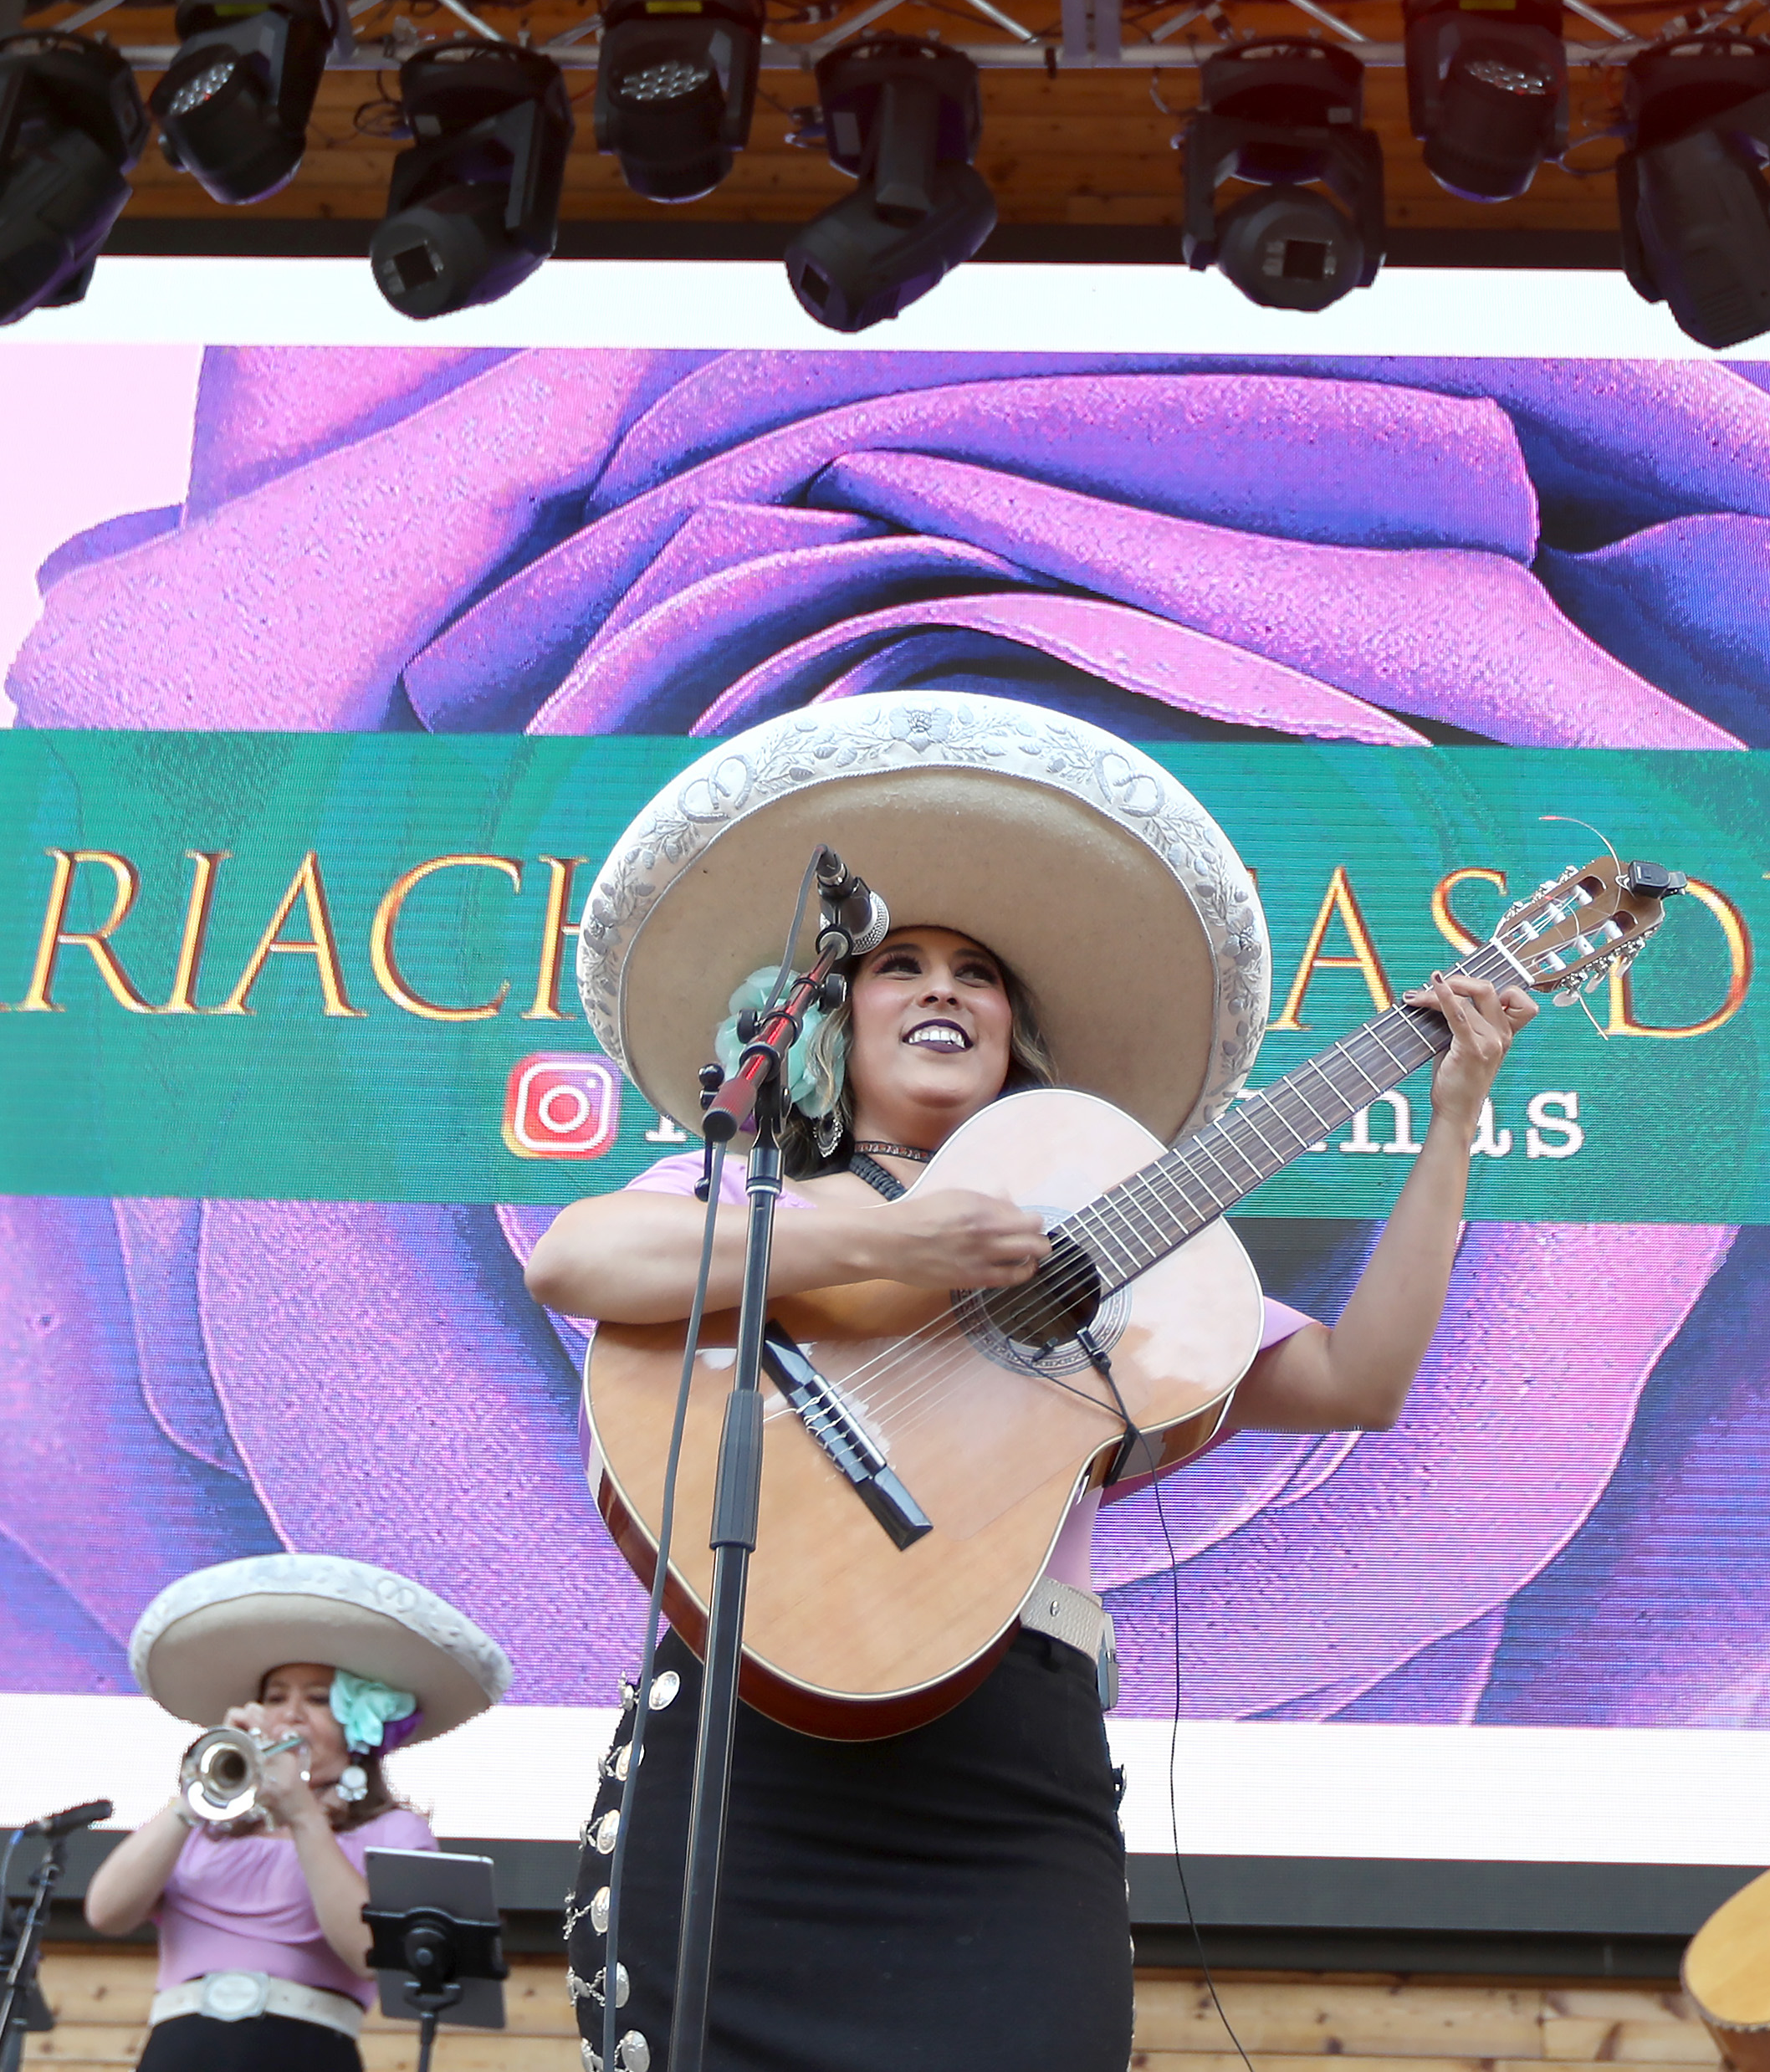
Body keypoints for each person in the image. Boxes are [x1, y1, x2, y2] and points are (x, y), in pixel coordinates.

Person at [523, 691, 1538, 2072]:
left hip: (1008, 1775)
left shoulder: (1125, 1271)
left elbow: (1359, 1378)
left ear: (1019, 1038)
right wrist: (888, 1237)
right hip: (747, 1762)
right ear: (829, 1016)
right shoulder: (749, 1194)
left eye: (978, 973)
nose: (943, 984)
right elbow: (577, 1259)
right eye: (901, 964)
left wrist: (1457, 1117)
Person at [84, 1553, 515, 2067]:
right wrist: (199, 1793)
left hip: (306, 2050)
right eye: (274, 1697)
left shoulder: (394, 1831)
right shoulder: (203, 1825)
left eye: (316, 1699)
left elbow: (369, 1951)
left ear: (357, 1727)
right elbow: (106, 1912)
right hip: (182, 2049)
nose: (289, 1714)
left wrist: (303, 1815)